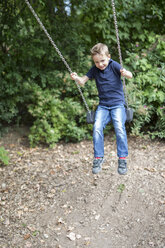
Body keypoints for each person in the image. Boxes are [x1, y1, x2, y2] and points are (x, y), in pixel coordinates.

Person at [70, 43, 132, 175]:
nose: (100, 64)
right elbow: (83, 81)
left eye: (103, 60)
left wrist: (125, 73)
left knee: (119, 127)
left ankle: (122, 159)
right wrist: (76, 78)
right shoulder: (94, 70)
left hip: (117, 104)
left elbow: (130, 75)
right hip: (103, 106)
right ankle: (98, 157)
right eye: (97, 62)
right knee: (97, 127)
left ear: (108, 57)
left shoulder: (114, 65)